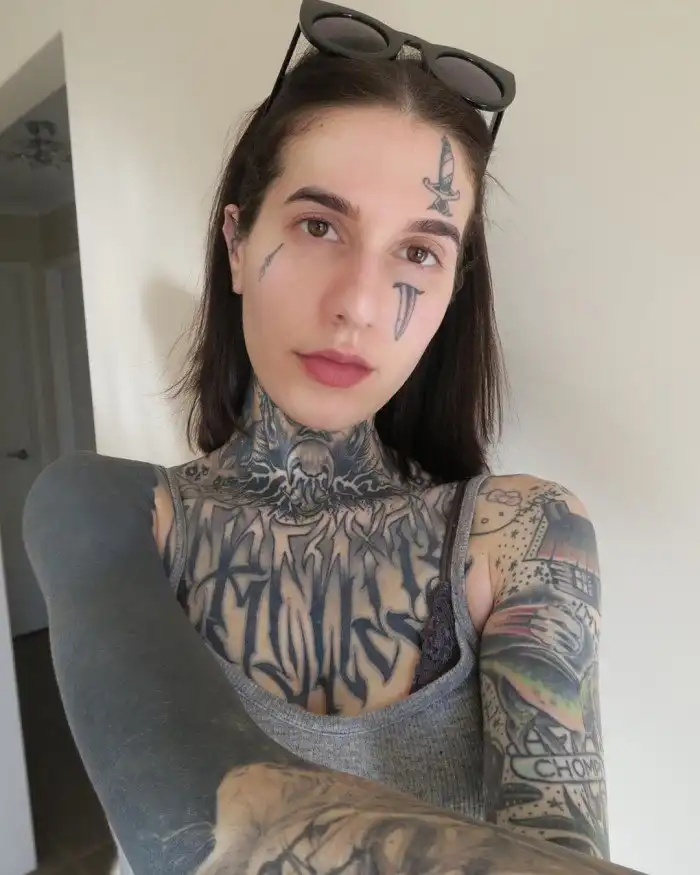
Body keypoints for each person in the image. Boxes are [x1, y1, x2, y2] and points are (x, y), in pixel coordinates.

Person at [23, 2, 642, 874]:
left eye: (418, 253)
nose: (357, 302)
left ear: (452, 291)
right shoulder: (103, 508)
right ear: (238, 245)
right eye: (319, 226)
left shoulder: (522, 533)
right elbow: (204, 826)